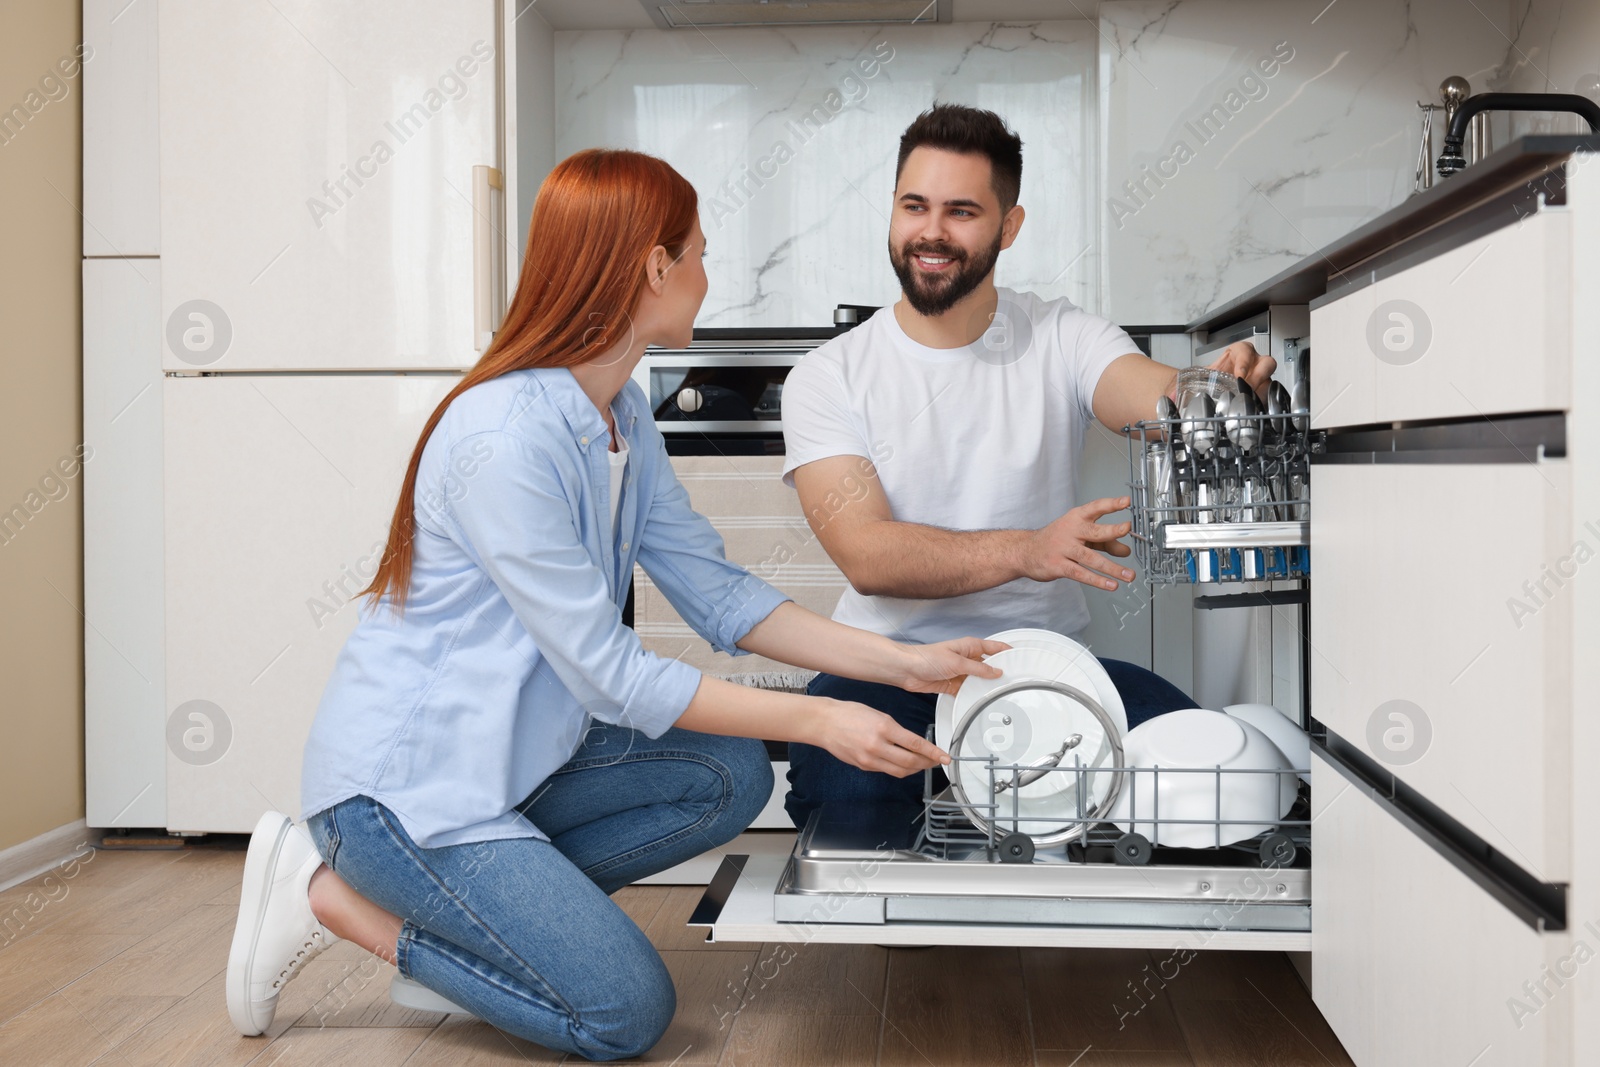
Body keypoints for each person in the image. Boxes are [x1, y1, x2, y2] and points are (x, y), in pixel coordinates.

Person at [223, 148, 1009, 1061]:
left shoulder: (618, 417)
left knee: (730, 771)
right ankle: (328, 896)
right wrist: (820, 716)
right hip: (404, 797)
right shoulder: (506, 437)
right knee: (625, 1012)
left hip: (519, 765)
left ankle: (489, 935)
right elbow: (611, 673)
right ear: (654, 267)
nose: (712, 278)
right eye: (702, 255)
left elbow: (716, 595)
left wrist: (903, 663)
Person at [780, 104, 1275, 829]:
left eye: (962, 211)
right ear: (892, 211)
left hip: (1043, 666)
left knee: (1209, 787)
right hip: (884, 668)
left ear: (1009, 227)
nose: (932, 232)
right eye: (914, 206)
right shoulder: (830, 375)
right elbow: (867, 555)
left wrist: (1208, 390)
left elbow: (1143, 390)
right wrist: (1029, 549)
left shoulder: (1060, 335)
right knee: (850, 814)